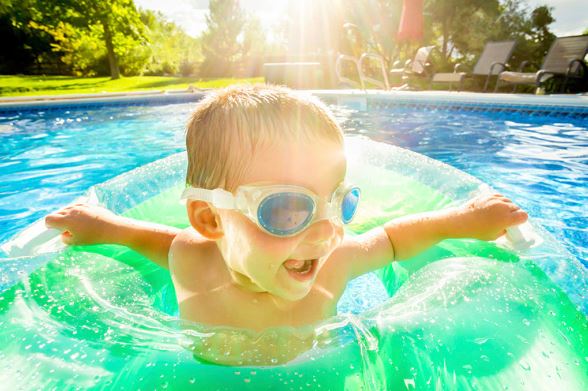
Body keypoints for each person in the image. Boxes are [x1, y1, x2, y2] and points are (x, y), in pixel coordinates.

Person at [45, 85, 527, 362]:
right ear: (211, 219)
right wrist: (100, 223)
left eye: (340, 203)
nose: (325, 232)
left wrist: (463, 219)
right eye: (286, 209)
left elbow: (393, 239)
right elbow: (136, 236)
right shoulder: (191, 257)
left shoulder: (333, 262)